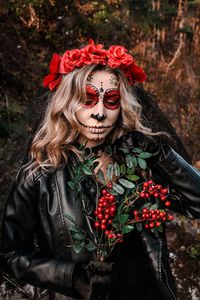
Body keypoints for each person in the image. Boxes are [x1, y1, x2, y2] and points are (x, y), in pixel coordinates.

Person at [0, 39, 200, 300]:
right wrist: (70, 276)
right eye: (87, 99)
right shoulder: (40, 174)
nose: (100, 113)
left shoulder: (139, 163)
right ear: (68, 102)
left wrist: (157, 153)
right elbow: (10, 253)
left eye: (112, 100)